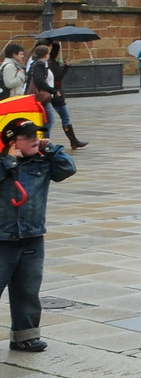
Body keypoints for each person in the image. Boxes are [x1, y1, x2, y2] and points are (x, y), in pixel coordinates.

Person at [0, 117, 76, 353]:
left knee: (28, 288)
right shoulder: (3, 164)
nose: (35, 140)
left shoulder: (41, 162)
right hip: (3, 237)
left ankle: (25, 336)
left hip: (32, 236)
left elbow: (68, 169)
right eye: (29, 137)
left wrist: (50, 149)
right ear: (13, 141)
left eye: (37, 135)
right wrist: (9, 163)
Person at [25, 46, 85, 150]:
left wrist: (66, 66)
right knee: (51, 120)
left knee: (56, 119)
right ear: (46, 54)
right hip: (46, 96)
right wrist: (53, 90)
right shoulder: (41, 64)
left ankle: (72, 141)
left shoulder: (43, 64)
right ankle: (44, 143)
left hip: (49, 95)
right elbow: (40, 81)